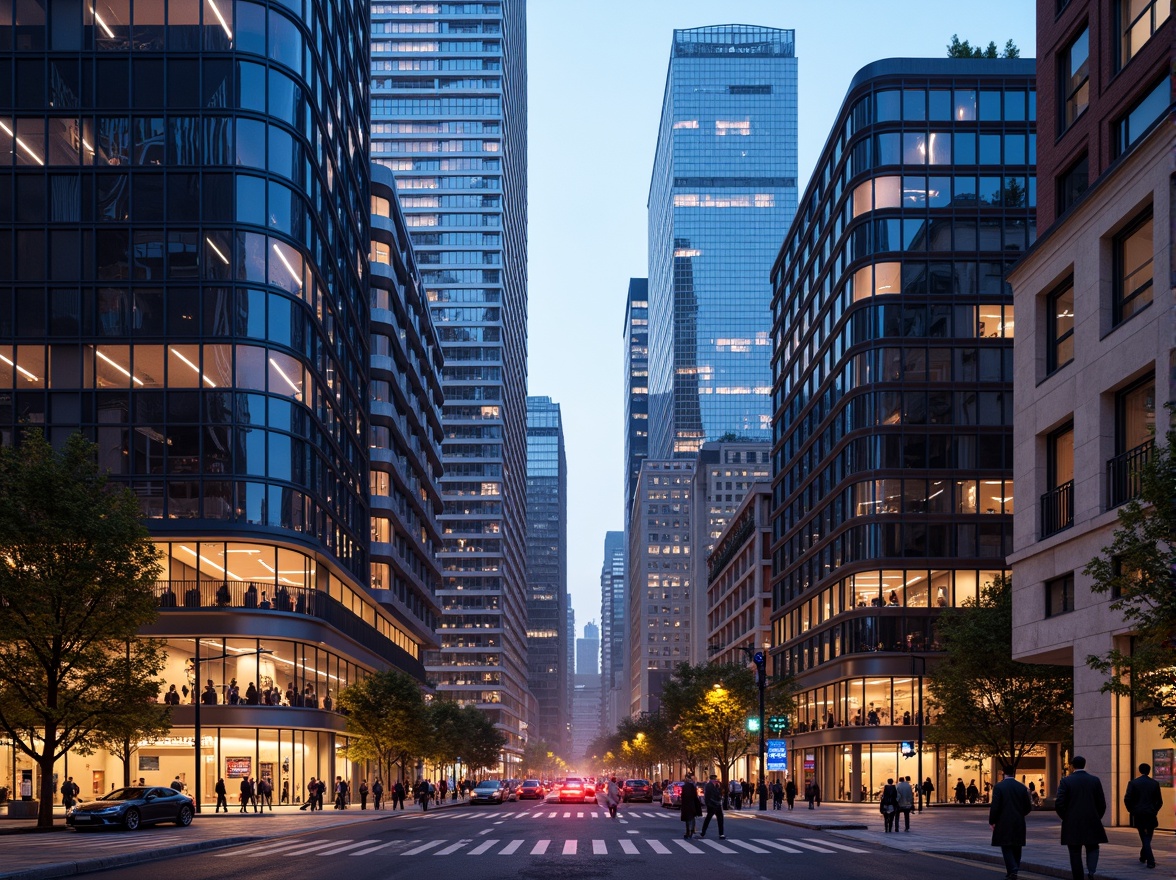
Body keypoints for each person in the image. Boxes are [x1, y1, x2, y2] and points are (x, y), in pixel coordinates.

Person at [1055, 755, 1108, 880]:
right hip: (1092, 821)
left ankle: (1078, 877)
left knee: (1074, 852)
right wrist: (1096, 816)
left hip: (1072, 822)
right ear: (1085, 764)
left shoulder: (1066, 781)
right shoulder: (1094, 780)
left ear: (1072, 766)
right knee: (1093, 847)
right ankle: (1091, 871)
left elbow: (1059, 803)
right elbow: (1102, 803)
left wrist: (1066, 817)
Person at [989, 765, 1033, 880]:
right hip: (1018, 821)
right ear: (1014, 772)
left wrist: (992, 821)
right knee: (1017, 846)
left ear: (1003, 772)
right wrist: (1020, 813)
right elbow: (1028, 807)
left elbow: (995, 806)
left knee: (1006, 846)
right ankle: (1014, 869)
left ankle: (1012, 870)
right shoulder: (1022, 787)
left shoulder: (999, 787)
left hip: (1003, 821)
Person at [1123, 762, 1162, 869]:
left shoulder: (1133, 783)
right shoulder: (1154, 783)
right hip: (1150, 813)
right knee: (1148, 836)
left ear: (1140, 771)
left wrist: (1132, 811)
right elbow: (1159, 801)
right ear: (1149, 771)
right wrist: (1154, 810)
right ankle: (1145, 856)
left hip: (1139, 813)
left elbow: (1127, 799)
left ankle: (1149, 859)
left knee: (1144, 836)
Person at [699, 773, 725, 839]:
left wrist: (719, 789)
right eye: (714, 779)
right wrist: (708, 804)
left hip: (718, 804)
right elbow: (707, 796)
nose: (715, 780)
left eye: (715, 779)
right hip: (712, 805)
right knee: (708, 819)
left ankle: (721, 834)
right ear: (711, 779)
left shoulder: (717, 785)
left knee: (720, 819)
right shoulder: (708, 785)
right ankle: (703, 832)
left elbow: (720, 793)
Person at [680, 771, 702, 839]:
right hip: (691, 804)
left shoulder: (684, 786)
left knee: (687, 819)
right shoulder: (692, 786)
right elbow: (695, 796)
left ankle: (688, 832)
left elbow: (683, 796)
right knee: (692, 818)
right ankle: (691, 832)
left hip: (686, 805)